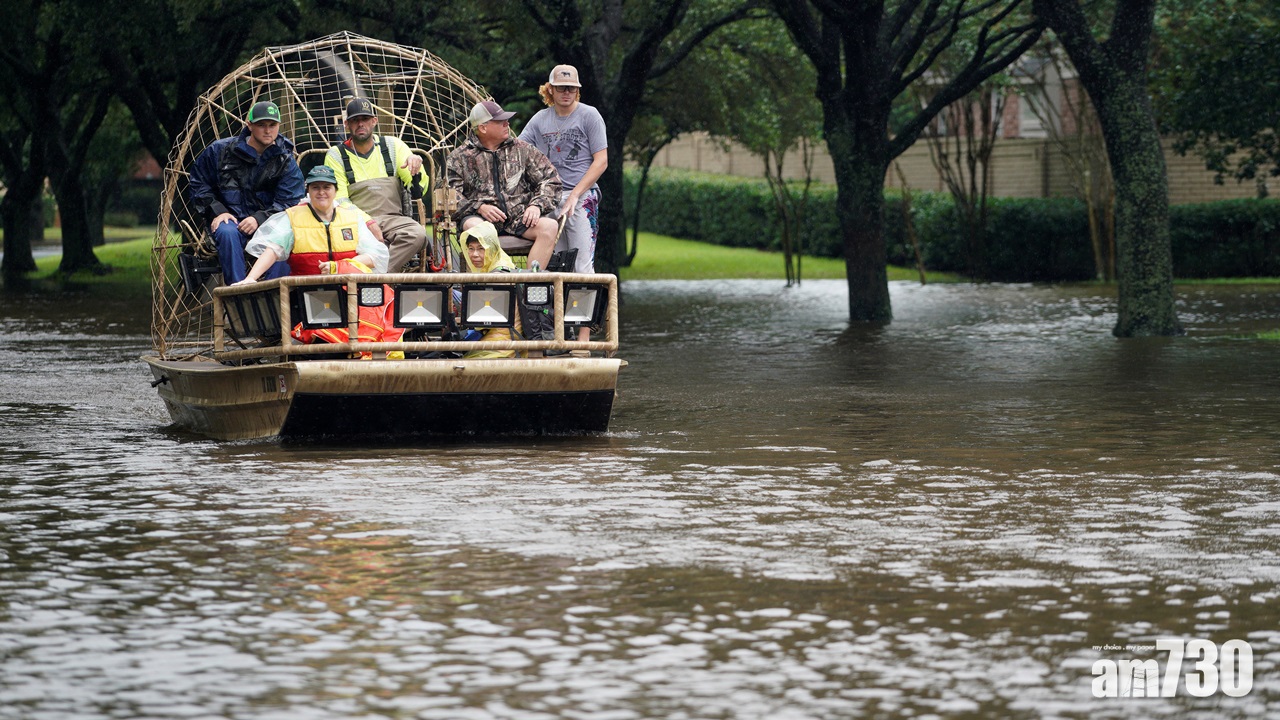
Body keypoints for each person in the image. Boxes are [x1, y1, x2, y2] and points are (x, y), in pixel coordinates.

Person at [234, 166, 402, 355]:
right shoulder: (293, 217)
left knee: (382, 309)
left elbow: (374, 256)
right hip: (308, 295)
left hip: (349, 293)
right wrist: (251, 278)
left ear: (335, 191)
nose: (321, 192)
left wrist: (339, 266)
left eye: (326, 187)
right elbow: (273, 250)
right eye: (316, 187)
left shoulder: (351, 218)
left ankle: (371, 358)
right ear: (308, 190)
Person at [519, 64, 609, 349]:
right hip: (549, 196)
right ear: (551, 90)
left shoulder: (589, 116)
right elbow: (517, 152)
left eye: (571, 88)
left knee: (582, 266)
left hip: (582, 196)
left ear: (577, 91)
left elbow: (601, 161)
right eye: (560, 88)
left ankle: (583, 340)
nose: (566, 93)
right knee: (556, 266)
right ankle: (556, 334)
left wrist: (575, 195)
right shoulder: (539, 120)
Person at [188, 100, 304, 284]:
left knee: (289, 236)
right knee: (227, 232)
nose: (268, 131)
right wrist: (217, 211)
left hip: (271, 225)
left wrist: (259, 219)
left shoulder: (285, 161)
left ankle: (274, 295)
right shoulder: (219, 151)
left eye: (272, 125)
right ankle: (238, 293)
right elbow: (198, 184)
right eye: (261, 125)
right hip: (231, 221)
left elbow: (290, 202)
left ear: (278, 126)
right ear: (249, 125)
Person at [446, 100, 560, 273]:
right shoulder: (459, 157)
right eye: (500, 122)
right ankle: (496, 282)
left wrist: (536, 205)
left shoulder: (522, 150)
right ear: (483, 128)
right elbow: (447, 194)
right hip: (480, 218)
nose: (507, 124)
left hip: (518, 217)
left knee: (549, 227)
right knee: (476, 229)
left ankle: (527, 286)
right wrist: (479, 207)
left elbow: (551, 180)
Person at [323, 97, 429, 273]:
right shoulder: (335, 155)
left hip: (393, 219)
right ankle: (381, 278)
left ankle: (375, 275)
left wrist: (416, 168)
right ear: (346, 124)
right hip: (355, 222)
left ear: (374, 121)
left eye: (364, 119)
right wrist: (367, 221)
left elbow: (419, 189)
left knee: (418, 234)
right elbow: (339, 200)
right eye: (355, 120)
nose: (360, 124)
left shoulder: (393, 146)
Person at [456, 221, 519, 359]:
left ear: (491, 248)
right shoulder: (500, 262)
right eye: (470, 248)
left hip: (503, 343)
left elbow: (484, 320)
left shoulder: (497, 275)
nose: (474, 254)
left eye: (481, 248)